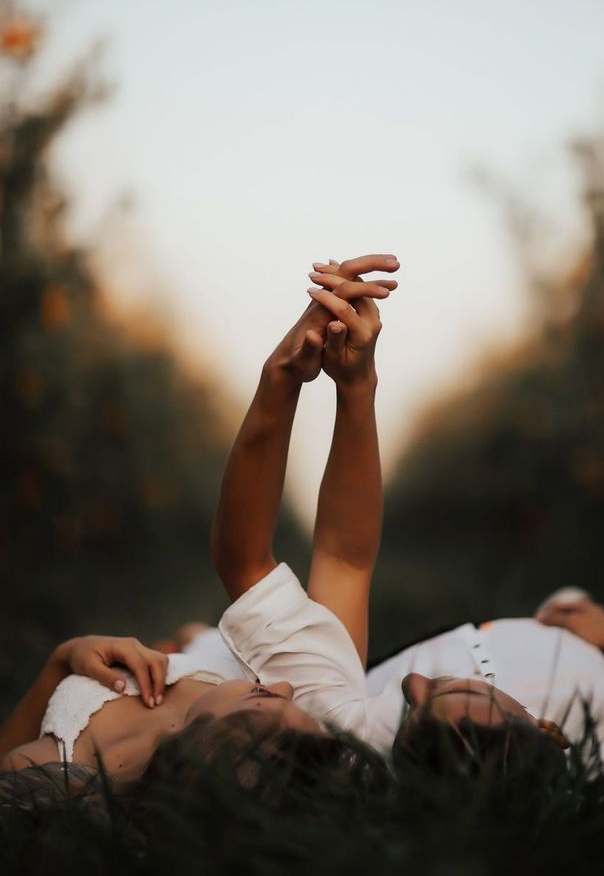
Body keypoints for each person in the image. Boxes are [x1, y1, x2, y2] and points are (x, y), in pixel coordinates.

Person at [213, 261, 604, 779]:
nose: (413, 682)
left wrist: (300, 378)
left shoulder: (353, 737)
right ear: (551, 733)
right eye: (451, 689)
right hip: (574, 631)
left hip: (443, 646)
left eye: (406, 712)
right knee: (572, 600)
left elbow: (308, 562)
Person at [0, 254, 398, 784]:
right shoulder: (325, 723)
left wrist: (61, 662)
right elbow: (342, 558)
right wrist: (344, 384)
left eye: (264, 695)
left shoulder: (69, 784)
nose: (281, 688)